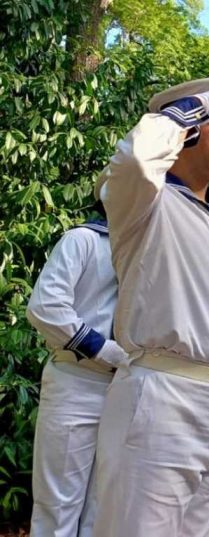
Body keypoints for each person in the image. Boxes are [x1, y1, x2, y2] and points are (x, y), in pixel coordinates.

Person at [92, 77, 209, 537]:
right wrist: (191, 108)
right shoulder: (145, 199)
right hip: (163, 396)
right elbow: (135, 159)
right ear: (185, 130)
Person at [26, 203, 127, 537]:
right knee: (58, 507)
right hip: (77, 381)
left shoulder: (146, 251)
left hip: (126, 388)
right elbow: (46, 306)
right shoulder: (83, 239)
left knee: (104, 506)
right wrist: (102, 349)